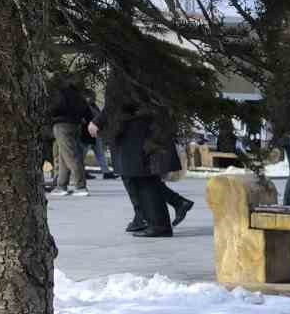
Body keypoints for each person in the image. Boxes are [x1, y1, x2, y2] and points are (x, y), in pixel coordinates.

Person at [89, 71, 191, 237]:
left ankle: (158, 225)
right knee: (142, 177)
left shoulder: (123, 67)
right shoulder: (142, 64)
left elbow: (118, 101)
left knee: (144, 178)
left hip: (135, 128)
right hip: (144, 126)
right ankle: (152, 220)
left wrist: (98, 121)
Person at [48, 76, 96, 197]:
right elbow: (88, 112)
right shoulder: (79, 95)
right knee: (64, 156)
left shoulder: (59, 93)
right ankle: (61, 185)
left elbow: (54, 108)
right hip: (76, 125)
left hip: (62, 125)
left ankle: (80, 186)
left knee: (70, 156)